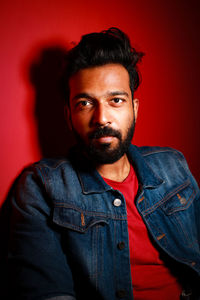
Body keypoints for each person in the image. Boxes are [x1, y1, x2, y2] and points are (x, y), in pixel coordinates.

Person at [6, 28, 200, 300]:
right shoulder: (41, 186)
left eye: (116, 100)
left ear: (135, 108)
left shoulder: (173, 165)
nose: (101, 118)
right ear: (69, 115)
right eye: (85, 103)